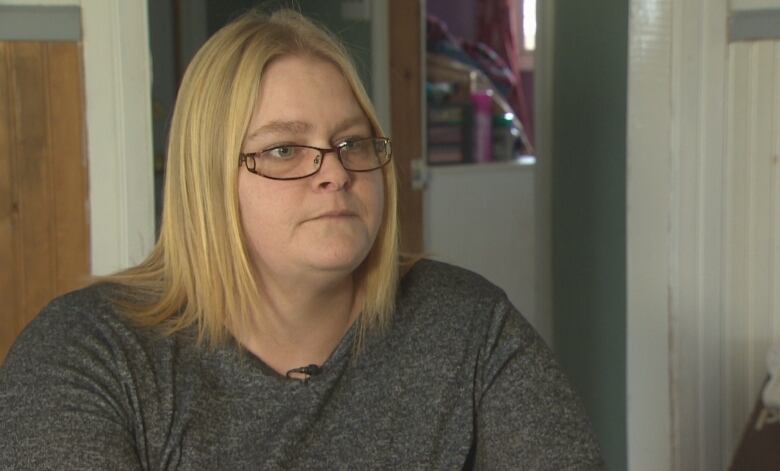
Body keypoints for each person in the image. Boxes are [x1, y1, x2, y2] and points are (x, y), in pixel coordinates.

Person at [0, 9, 603, 470]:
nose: (336, 172)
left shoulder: (468, 324)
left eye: (353, 143)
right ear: (207, 180)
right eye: (284, 149)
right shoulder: (87, 352)